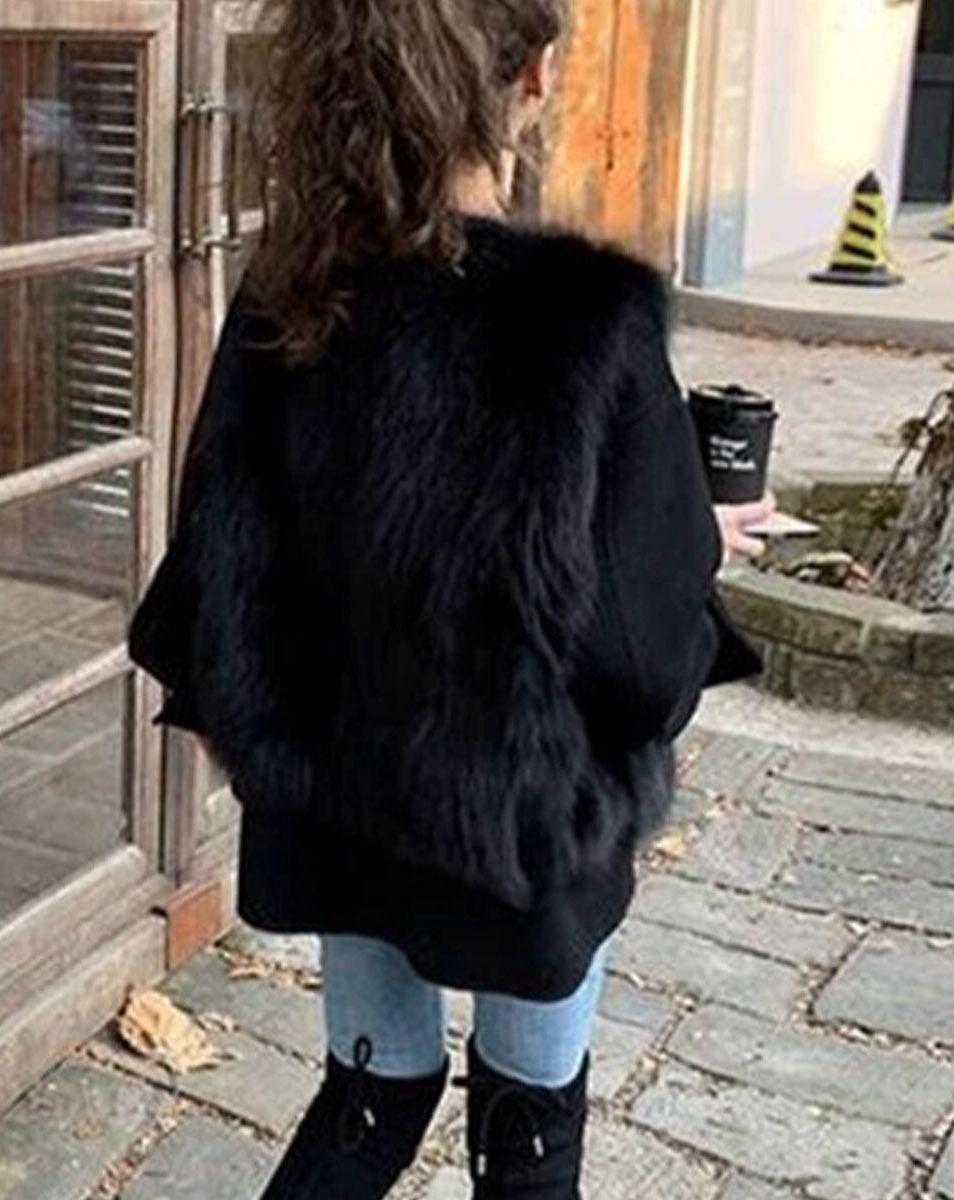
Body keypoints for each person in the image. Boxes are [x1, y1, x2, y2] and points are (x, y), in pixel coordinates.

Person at [127, 0, 771, 1195]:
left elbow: (213, 572)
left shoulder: (289, 294)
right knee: (529, 1131)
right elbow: (639, 664)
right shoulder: (587, 323)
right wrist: (699, 545)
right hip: (522, 834)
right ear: (533, 76)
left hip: (339, 808)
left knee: (370, 1098)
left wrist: (270, 747)